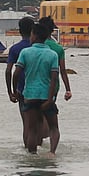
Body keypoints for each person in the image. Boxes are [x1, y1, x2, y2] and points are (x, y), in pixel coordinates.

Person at [11, 20, 60, 155]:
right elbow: (54, 79)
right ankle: (52, 153)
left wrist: (15, 91)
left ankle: (32, 156)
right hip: (46, 96)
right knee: (53, 128)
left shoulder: (25, 52)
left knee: (32, 129)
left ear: (35, 36)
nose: (30, 37)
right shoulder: (52, 54)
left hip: (30, 95)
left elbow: (16, 74)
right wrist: (50, 99)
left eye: (32, 34)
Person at [35, 16, 73, 150]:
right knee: (49, 116)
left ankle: (37, 144)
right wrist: (68, 89)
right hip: (53, 87)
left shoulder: (33, 46)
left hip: (34, 87)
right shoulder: (58, 48)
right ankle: (49, 147)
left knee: (36, 119)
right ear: (52, 30)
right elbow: (63, 71)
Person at [5, 16, 36, 149]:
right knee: (39, 123)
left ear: (19, 31)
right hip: (40, 90)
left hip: (22, 90)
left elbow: (9, 71)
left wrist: (11, 92)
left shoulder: (15, 49)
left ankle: (28, 151)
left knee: (26, 124)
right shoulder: (39, 47)